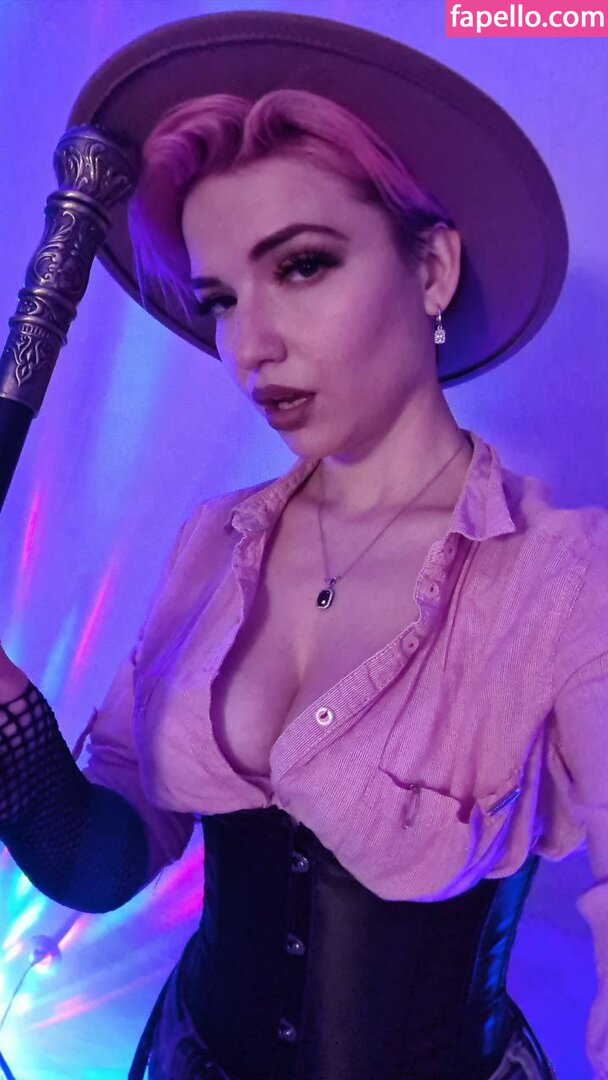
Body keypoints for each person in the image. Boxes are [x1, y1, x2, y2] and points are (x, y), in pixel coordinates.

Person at [1, 10, 606, 1080]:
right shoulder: (211, 544)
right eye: (221, 300)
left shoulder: (566, 580)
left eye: (303, 266)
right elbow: (105, 858)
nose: (250, 347)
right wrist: (9, 721)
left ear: (432, 270)